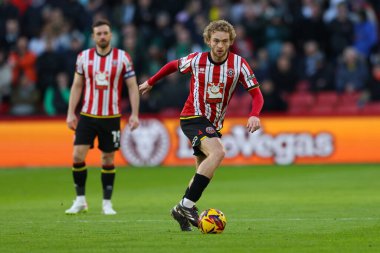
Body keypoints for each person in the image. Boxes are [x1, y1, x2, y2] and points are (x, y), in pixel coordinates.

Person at [139, 20, 264, 231]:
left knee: (204, 170)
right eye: (216, 41)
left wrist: (254, 115)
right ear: (208, 41)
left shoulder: (239, 64)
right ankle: (186, 205)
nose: (220, 46)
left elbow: (257, 94)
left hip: (213, 124)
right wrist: (151, 82)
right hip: (192, 116)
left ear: (231, 41)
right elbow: (172, 66)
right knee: (218, 152)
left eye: (225, 41)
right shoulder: (197, 60)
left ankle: (181, 209)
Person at [65, 19, 140, 215]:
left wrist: (134, 114)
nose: (102, 36)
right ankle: (80, 200)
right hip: (87, 116)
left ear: (111, 35)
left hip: (111, 116)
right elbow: (77, 85)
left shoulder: (123, 58)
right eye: (99, 34)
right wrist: (70, 112)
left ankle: (107, 203)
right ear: (93, 36)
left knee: (107, 159)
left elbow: (133, 87)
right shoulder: (83, 57)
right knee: (77, 155)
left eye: (105, 33)